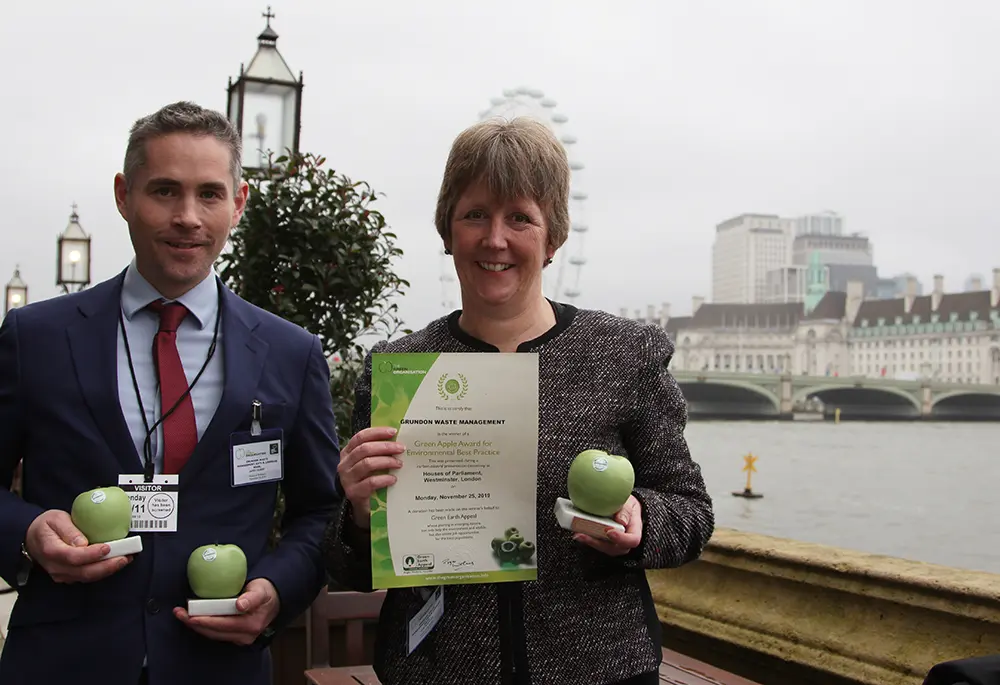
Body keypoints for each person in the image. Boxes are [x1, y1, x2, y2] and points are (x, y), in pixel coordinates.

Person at [323, 117, 715, 685]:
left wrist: (640, 518)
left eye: (520, 218)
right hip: (438, 672)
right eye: (475, 214)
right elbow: (348, 565)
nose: (495, 239)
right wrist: (358, 514)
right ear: (448, 230)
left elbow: (692, 514)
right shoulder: (399, 371)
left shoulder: (623, 353)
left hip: (596, 670)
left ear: (552, 237)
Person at [0, 101, 341, 685]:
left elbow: (321, 509)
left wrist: (278, 589)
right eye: (164, 191)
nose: (188, 216)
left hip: (219, 667)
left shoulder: (291, 353)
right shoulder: (36, 338)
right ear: (123, 195)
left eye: (209, 194)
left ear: (239, 203)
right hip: (61, 663)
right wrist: (27, 535)